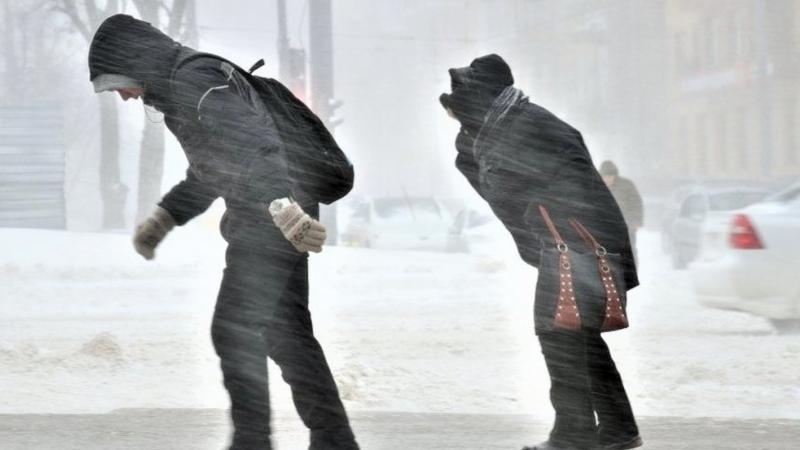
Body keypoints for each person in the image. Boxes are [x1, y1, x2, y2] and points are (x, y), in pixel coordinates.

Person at [88, 14, 358, 450]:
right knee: (285, 331)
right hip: (275, 209)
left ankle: (254, 442)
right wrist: (167, 216)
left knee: (234, 328)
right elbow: (214, 168)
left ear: (134, 61)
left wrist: (280, 206)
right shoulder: (181, 88)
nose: (122, 95)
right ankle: (334, 440)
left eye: (118, 83)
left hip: (269, 215)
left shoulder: (193, 80)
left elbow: (254, 142)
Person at [440, 54, 642, 450]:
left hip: (576, 242)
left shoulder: (526, 127)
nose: (456, 115)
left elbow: (521, 187)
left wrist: (547, 229)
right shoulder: (502, 129)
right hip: (567, 243)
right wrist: (469, 140)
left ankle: (574, 433)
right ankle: (618, 428)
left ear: (479, 100)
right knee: (578, 338)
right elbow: (500, 185)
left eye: (461, 105)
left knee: (559, 335)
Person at [599, 161, 643, 263]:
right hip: (605, 228)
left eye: (610, 176)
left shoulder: (626, 186)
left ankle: (630, 270)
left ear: (615, 176)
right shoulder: (597, 186)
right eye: (605, 176)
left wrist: (635, 221)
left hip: (626, 226)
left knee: (629, 252)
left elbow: (636, 204)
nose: (607, 179)